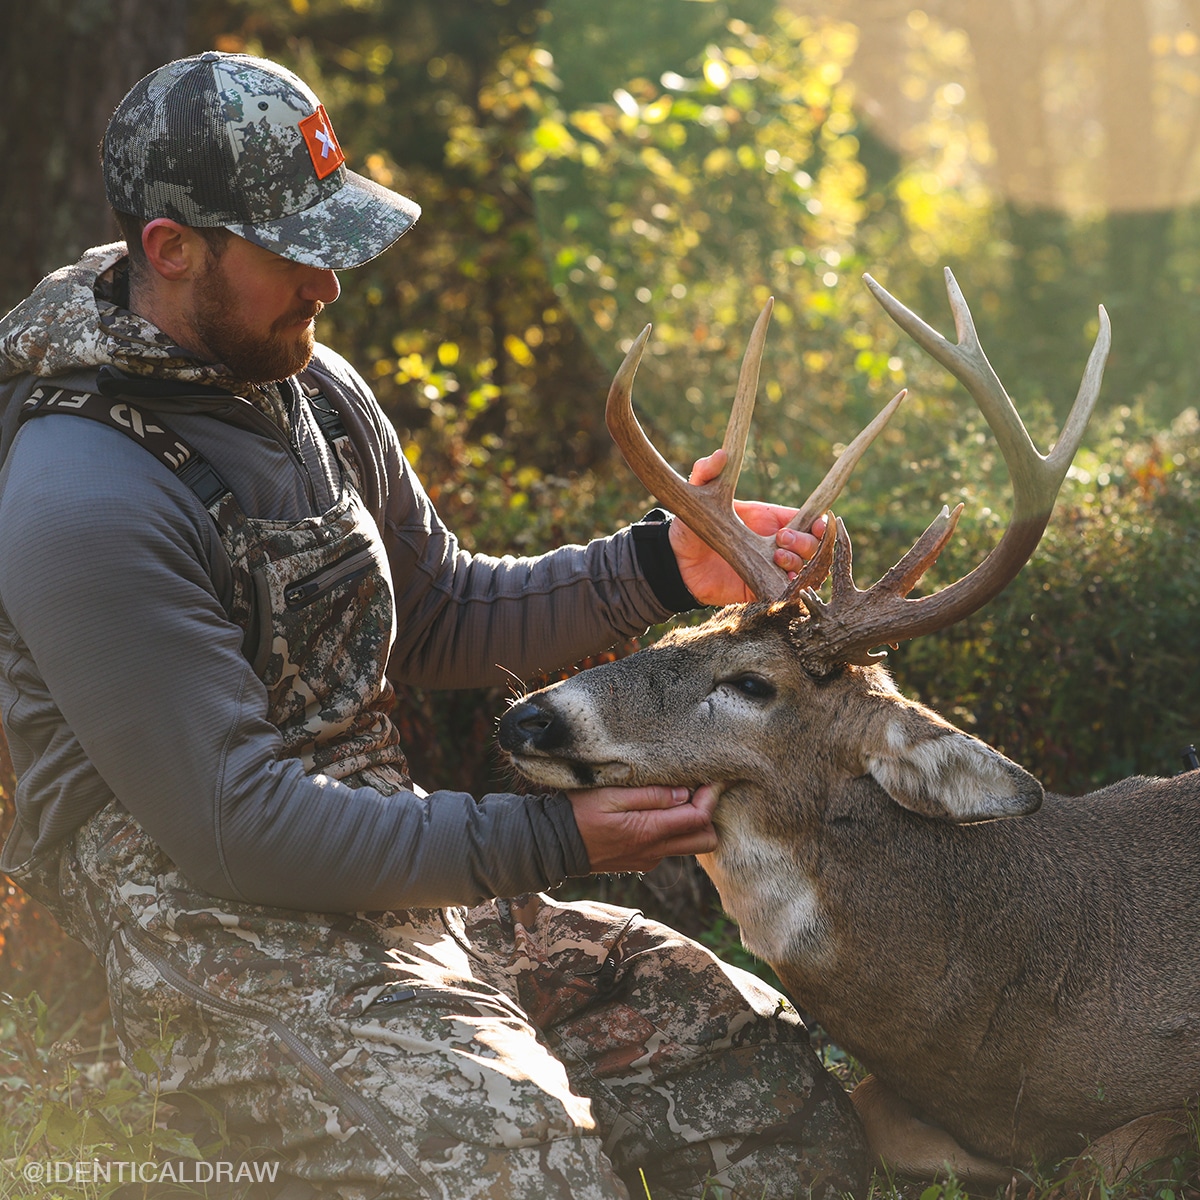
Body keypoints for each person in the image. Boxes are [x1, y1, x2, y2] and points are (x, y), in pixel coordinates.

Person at [0, 52, 869, 1200]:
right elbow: (233, 827)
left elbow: (445, 612)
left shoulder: (307, 389)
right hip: (208, 937)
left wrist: (661, 564)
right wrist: (562, 842)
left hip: (394, 878)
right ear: (172, 249)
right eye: (294, 248)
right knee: (520, 1163)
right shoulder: (81, 493)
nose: (331, 283)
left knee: (767, 1082)